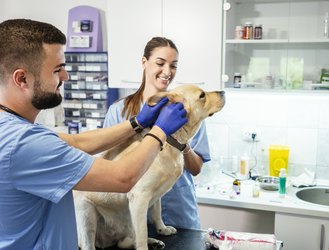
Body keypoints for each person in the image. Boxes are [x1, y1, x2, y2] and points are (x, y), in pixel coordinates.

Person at [0, 19, 188, 250]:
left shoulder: (11, 128)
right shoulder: (24, 143)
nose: (66, 76)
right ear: (22, 79)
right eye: (57, 69)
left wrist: (137, 122)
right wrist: (160, 131)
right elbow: (123, 178)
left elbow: (77, 142)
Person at [103, 37, 211, 230]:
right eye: (160, 63)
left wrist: (181, 141)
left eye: (173, 65)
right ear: (144, 62)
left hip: (178, 211)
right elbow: (107, 165)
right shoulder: (119, 111)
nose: (167, 72)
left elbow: (196, 169)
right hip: (130, 216)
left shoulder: (189, 110)